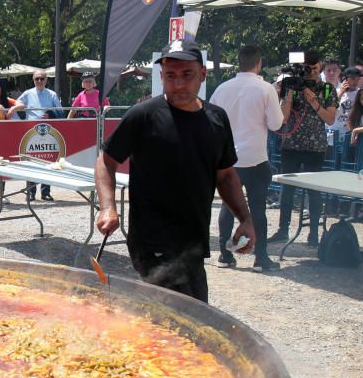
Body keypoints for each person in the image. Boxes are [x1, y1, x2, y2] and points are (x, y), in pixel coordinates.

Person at [94, 40, 255, 304]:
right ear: (161, 77)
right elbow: (106, 160)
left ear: (202, 75)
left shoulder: (217, 118)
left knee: (195, 313)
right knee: (182, 319)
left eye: (187, 75)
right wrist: (107, 207)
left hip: (193, 242)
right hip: (152, 242)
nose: (178, 83)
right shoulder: (143, 115)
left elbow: (225, 175)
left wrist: (245, 218)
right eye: (171, 76)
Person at [208, 44, 285, 272]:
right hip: (255, 157)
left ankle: (224, 254)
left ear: (239, 62)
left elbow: (210, 120)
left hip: (228, 158)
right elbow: (276, 124)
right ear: (258, 63)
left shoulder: (222, 88)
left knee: (227, 206)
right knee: (258, 208)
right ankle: (260, 258)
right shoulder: (265, 89)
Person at [269, 50, 338, 247]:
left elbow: (330, 119)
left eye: (315, 69)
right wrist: (290, 92)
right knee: (287, 189)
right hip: (291, 144)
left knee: (313, 191)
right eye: (308, 69)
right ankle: (283, 229)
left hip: (315, 146)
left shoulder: (327, 89)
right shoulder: (292, 86)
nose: (311, 73)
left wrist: (313, 101)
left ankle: (314, 232)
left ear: (320, 67)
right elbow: (283, 117)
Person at [17, 69, 63, 201]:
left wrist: (51, 114)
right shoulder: (27, 94)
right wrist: (19, 122)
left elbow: (61, 114)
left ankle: (45, 192)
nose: (39, 81)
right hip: (31, 133)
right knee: (31, 163)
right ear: (33, 80)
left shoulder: (52, 94)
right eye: (37, 78)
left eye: (42, 78)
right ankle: (31, 193)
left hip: (49, 132)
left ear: (46, 80)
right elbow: (15, 107)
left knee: (47, 162)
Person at [329, 66, 363, 148]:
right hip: (335, 132)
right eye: (352, 78)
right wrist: (341, 92)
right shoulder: (335, 91)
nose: (355, 81)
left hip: (350, 132)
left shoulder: (361, 93)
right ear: (345, 79)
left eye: (357, 79)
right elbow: (330, 107)